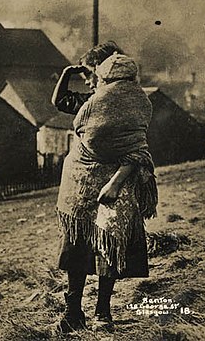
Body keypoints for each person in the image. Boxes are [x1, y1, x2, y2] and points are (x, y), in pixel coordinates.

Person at [51, 46, 158, 333]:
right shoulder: (93, 100)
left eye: (90, 73)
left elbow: (137, 149)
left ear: (103, 71)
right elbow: (62, 102)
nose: (88, 79)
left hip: (113, 186)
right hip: (81, 184)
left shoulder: (128, 101)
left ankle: (102, 312)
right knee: (77, 245)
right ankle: (73, 312)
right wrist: (67, 74)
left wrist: (116, 181)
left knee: (107, 246)